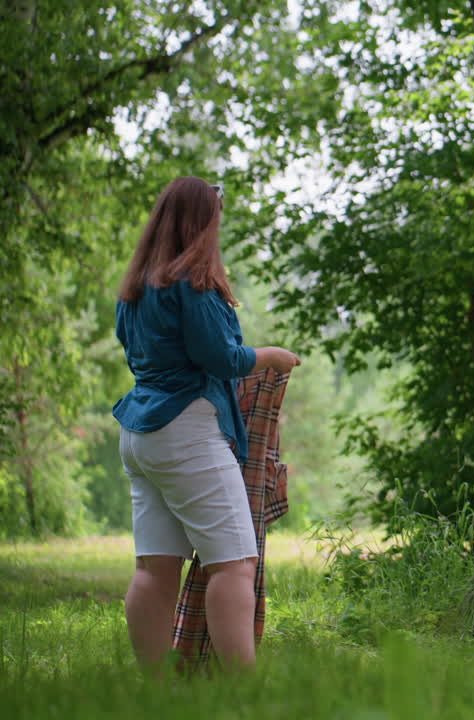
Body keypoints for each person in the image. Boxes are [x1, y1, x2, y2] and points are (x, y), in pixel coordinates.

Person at [112, 176, 300, 672]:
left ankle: (156, 687)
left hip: (139, 434)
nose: (218, 230)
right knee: (235, 564)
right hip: (187, 431)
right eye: (215, 221)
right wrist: (269, 356)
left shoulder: (134, 289)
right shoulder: (191, 283)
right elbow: (220, 357)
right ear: (200, 224)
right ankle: (242, 688)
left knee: (155, 567)